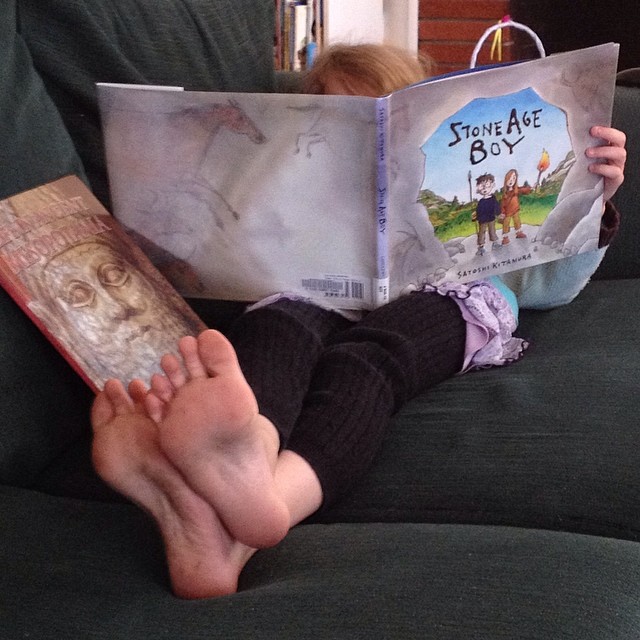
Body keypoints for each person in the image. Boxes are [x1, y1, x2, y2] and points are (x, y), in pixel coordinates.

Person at [90, 43, 627, 599]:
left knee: (368, 361)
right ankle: (240, 462)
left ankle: (261, 501)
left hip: (444, 299)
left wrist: (593, 201)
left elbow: (554, 286)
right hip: (318, 281)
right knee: (277, 327)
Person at [500, 168, 533, 244]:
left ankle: (518, 233)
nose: (511, 181)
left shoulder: (516, 190)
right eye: (510, 178)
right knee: (506, 224)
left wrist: (530, 188)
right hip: (507, 212)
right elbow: (503, 203)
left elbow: (524, 190)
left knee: (517, 221)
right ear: (506, 180)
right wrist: (502, 212)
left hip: (515, 209)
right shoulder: (505, 193)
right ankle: (505, 237)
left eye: (514, 178)